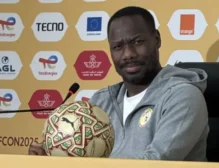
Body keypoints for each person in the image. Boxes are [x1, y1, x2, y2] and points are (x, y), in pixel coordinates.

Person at [28, 6, 209, 161]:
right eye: (118, 47)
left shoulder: (184, 97)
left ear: (157, 40)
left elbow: (155, 163)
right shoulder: (101, 102)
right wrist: (53, 159)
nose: (128, 54)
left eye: (137, 42)